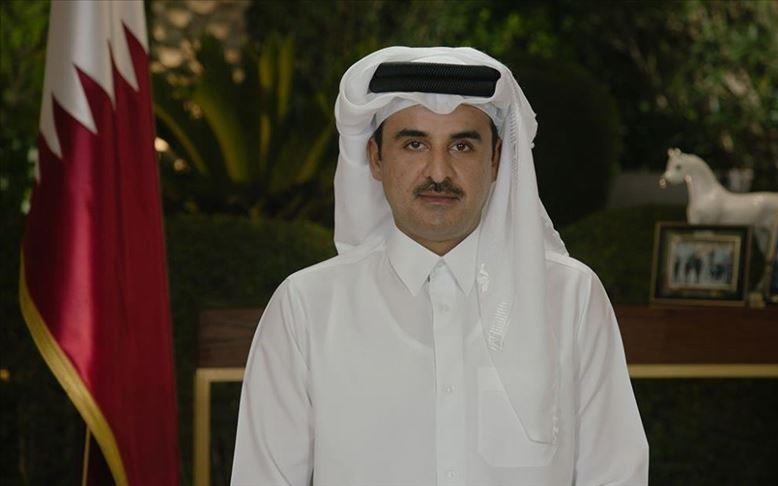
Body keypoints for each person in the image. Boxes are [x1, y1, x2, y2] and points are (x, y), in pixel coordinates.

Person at [231, 46, 648, 486]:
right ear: (375, 158)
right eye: (414, 144)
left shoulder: (570, 297)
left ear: (495, 160)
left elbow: (615, 474)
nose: (438, 171)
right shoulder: (307, 307)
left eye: (462, 146)